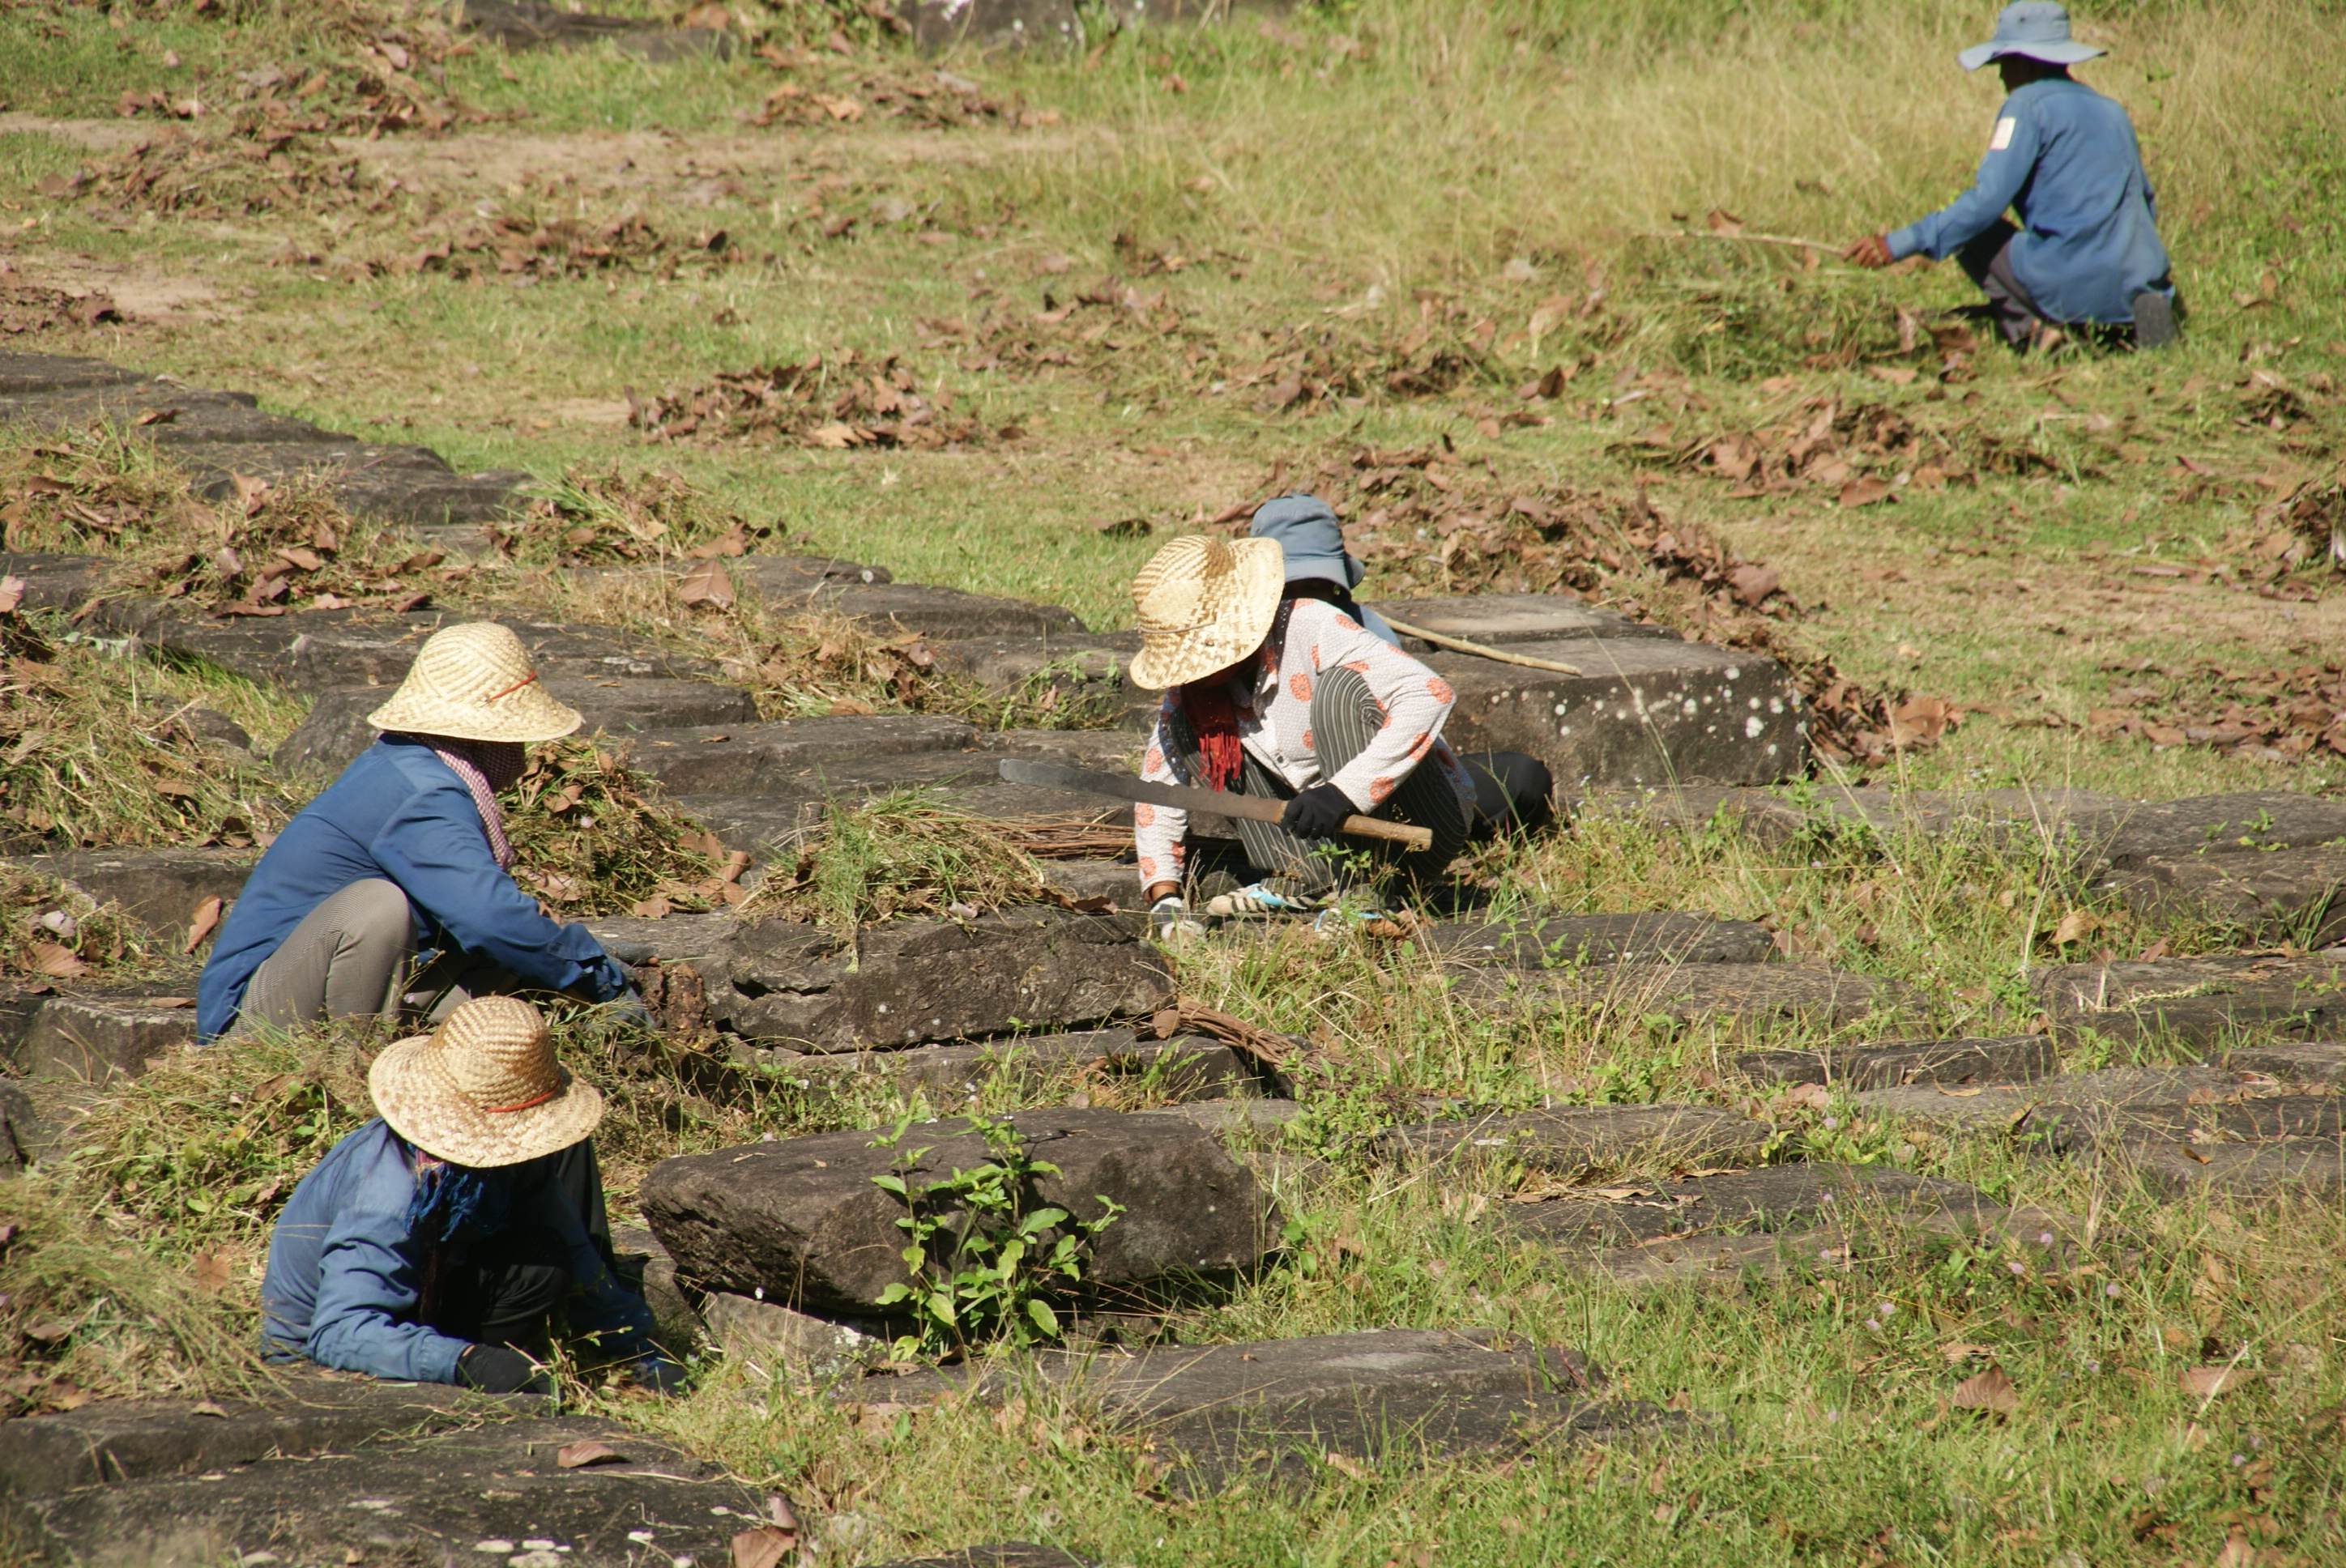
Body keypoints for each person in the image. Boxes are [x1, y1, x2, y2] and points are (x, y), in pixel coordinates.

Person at [196, 621, 638, 1045]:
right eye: (515, 739)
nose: (521, 754)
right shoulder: (419, 791)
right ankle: (350, 1064)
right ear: (483, 739)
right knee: (378, 906)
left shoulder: (408, 763)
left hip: (342, 980)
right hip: (255, 1019)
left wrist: (577, 961)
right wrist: (601, 980)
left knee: (520, 964)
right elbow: (489, 918)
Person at [1127, 529, 1553, 937]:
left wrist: (1344, 792)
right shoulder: (1194, 692)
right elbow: (1159, 790)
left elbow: (1429, 693)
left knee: (1341, 689)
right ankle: (1300, 879)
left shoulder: (1310, 625)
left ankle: (1368, 893)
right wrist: (1165, 897)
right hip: (1320, 848)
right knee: (1190, 725)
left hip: (1411, 834)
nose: (1194, 676)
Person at [259, 995, 682, 1392]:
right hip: (323, 1352)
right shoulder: (387, 1195)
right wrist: (467, 1362)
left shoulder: (508, 1161)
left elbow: (571, 1242)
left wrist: (635, 1347)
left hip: (432, 1283)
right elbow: (338, 1333)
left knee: (545, 1259)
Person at [1842, 3, 2175, 351]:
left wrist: (1897, 244)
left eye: (2004, 64)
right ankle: (2134, 311)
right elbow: (2144, 201)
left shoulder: (2026, 106)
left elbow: (1984, 203)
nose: (2002, 77)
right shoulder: (2112, 111)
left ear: (2028, 63)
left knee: (1975, 232)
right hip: (2138, 275)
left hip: (2069, 279)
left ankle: (2034, 333)